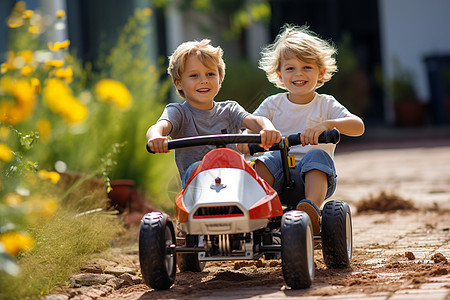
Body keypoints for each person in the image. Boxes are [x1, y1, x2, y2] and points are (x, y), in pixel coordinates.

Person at [238, 24, 365, 235]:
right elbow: (253, 125)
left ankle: (311, 211)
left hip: (314, 178)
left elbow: (358, 126)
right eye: (291, 68)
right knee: (265, 160)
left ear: (320, 72)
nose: (299, 74)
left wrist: (328, 124)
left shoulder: (325, 104)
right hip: (278, 175)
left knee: (316, 155)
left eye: (307, 67)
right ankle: (261, 208)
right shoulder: (272, 104)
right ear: (279, 75)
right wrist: (244, 140)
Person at [146, 39, 281, 187]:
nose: (204, 80)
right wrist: (156, 137)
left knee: (255, 170)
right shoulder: (178, 112)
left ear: (220, 79)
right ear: (178, 83)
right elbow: (158, 127)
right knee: (198, 167)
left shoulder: (230, 109)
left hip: (233, 178)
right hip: (197, 186)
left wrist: (267, 129)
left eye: (210, 74)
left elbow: (255, 120)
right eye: (194, 76)